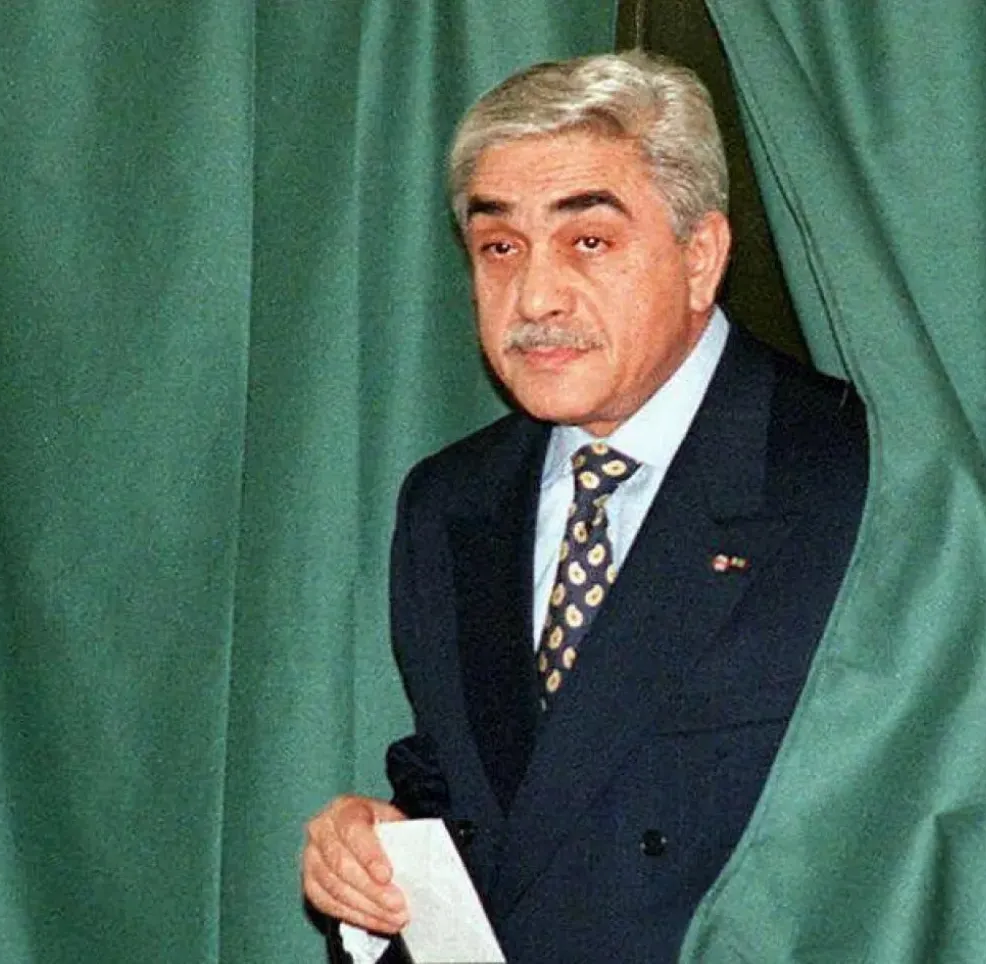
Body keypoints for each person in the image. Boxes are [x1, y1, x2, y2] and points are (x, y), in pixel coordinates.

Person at [301, 50, 868, 964]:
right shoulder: (453, 504)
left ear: (700, 256)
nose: (534, 296)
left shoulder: (849, 477)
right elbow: (486, 805)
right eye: (500, 247)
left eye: (589, 242)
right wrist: (375, 850)